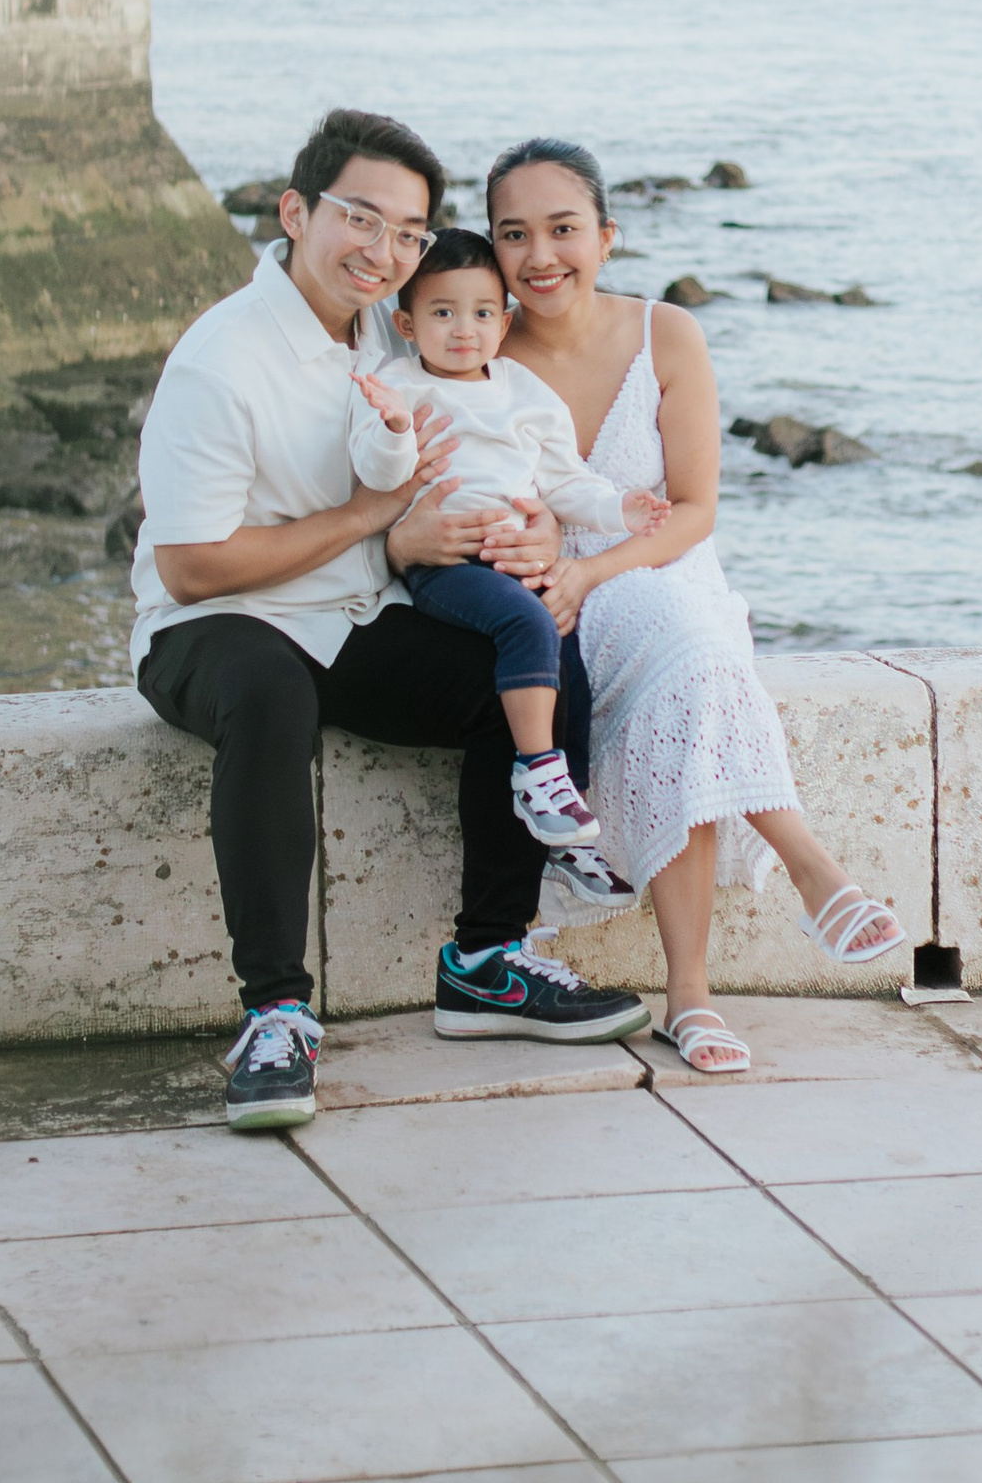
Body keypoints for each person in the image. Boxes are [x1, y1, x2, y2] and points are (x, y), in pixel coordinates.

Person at [132, 108, 648, 1132]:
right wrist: (372, 518)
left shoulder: (390, 324)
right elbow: (192, 566)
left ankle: (488, 961)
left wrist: (533, 529)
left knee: (537, 651)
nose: (385, 251)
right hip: (221, 623)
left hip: (356, 611)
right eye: (360, 218)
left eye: (408, 232)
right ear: (294, 212)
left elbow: (489, 441)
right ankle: (274, 1015)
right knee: (269, 691)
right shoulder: (221, 361)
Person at [489, 135, 906, 1078]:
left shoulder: (664, 334)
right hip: (545, 584)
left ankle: (708, 976)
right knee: (696, 664)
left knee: (693, 649)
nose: (541, 256)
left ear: (607, 236)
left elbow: (698, 510)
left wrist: (601, 572)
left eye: (564, 229)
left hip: (664, 564)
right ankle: (747, 935)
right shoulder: (480, 346)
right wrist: (565, 570)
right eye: (515, 235)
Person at [352, 225, 662, 892]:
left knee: (565, 664)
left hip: (515, 561)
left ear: (505, 321)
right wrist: (395, 429)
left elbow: (565, 482)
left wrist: (620, 512)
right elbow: (377, 475)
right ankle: (535, 769)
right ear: (406, 322)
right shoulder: (398, 385)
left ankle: (564, 825)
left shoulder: (522, 392)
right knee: (527, 625)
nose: (463, 329)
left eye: (482, 313)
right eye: (442, 312)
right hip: (447, 565)